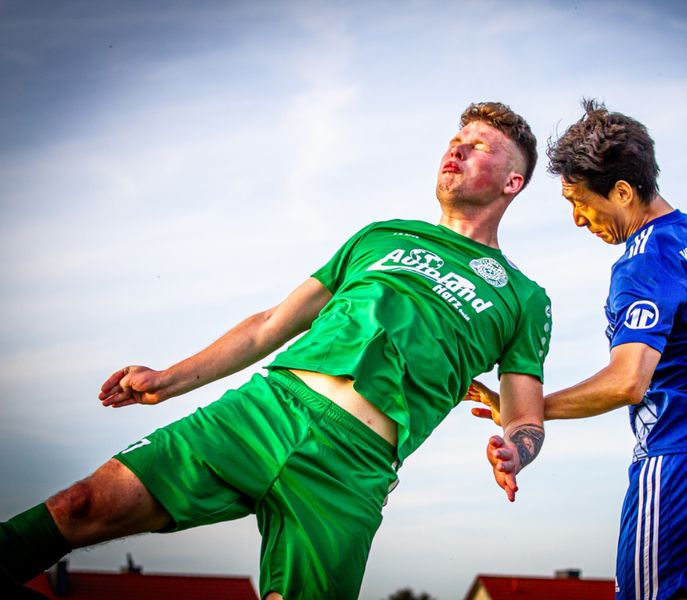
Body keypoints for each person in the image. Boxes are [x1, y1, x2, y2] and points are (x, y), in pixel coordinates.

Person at [0, 101, 552, 600]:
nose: (457, 149)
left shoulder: (524, 298)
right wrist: (168, 379)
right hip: (266, 410)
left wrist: (515, 451)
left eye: (479, 146)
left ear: (513, 181)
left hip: (353, 467)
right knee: (81, 505)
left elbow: (526, 418)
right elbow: (268, 326)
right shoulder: (381, 236)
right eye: (455, 140)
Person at [468, 100, 687, 600]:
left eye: (579, 201)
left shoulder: (644, 260)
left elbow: (627, 381)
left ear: (622, 191)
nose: (578, 219)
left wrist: (527, 411)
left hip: (678, 468)